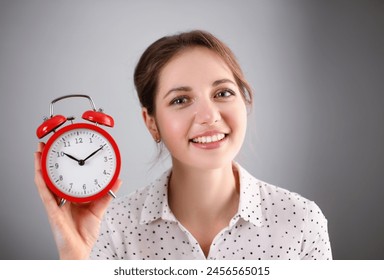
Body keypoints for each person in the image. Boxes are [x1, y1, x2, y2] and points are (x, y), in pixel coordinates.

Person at [34, 30, 332, 260]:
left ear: (245, 101)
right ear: (151, 122)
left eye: (223, 93)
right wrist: (77, 260)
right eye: (180, 100)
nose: (208, 116)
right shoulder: (114, 229)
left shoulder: (301, 221)